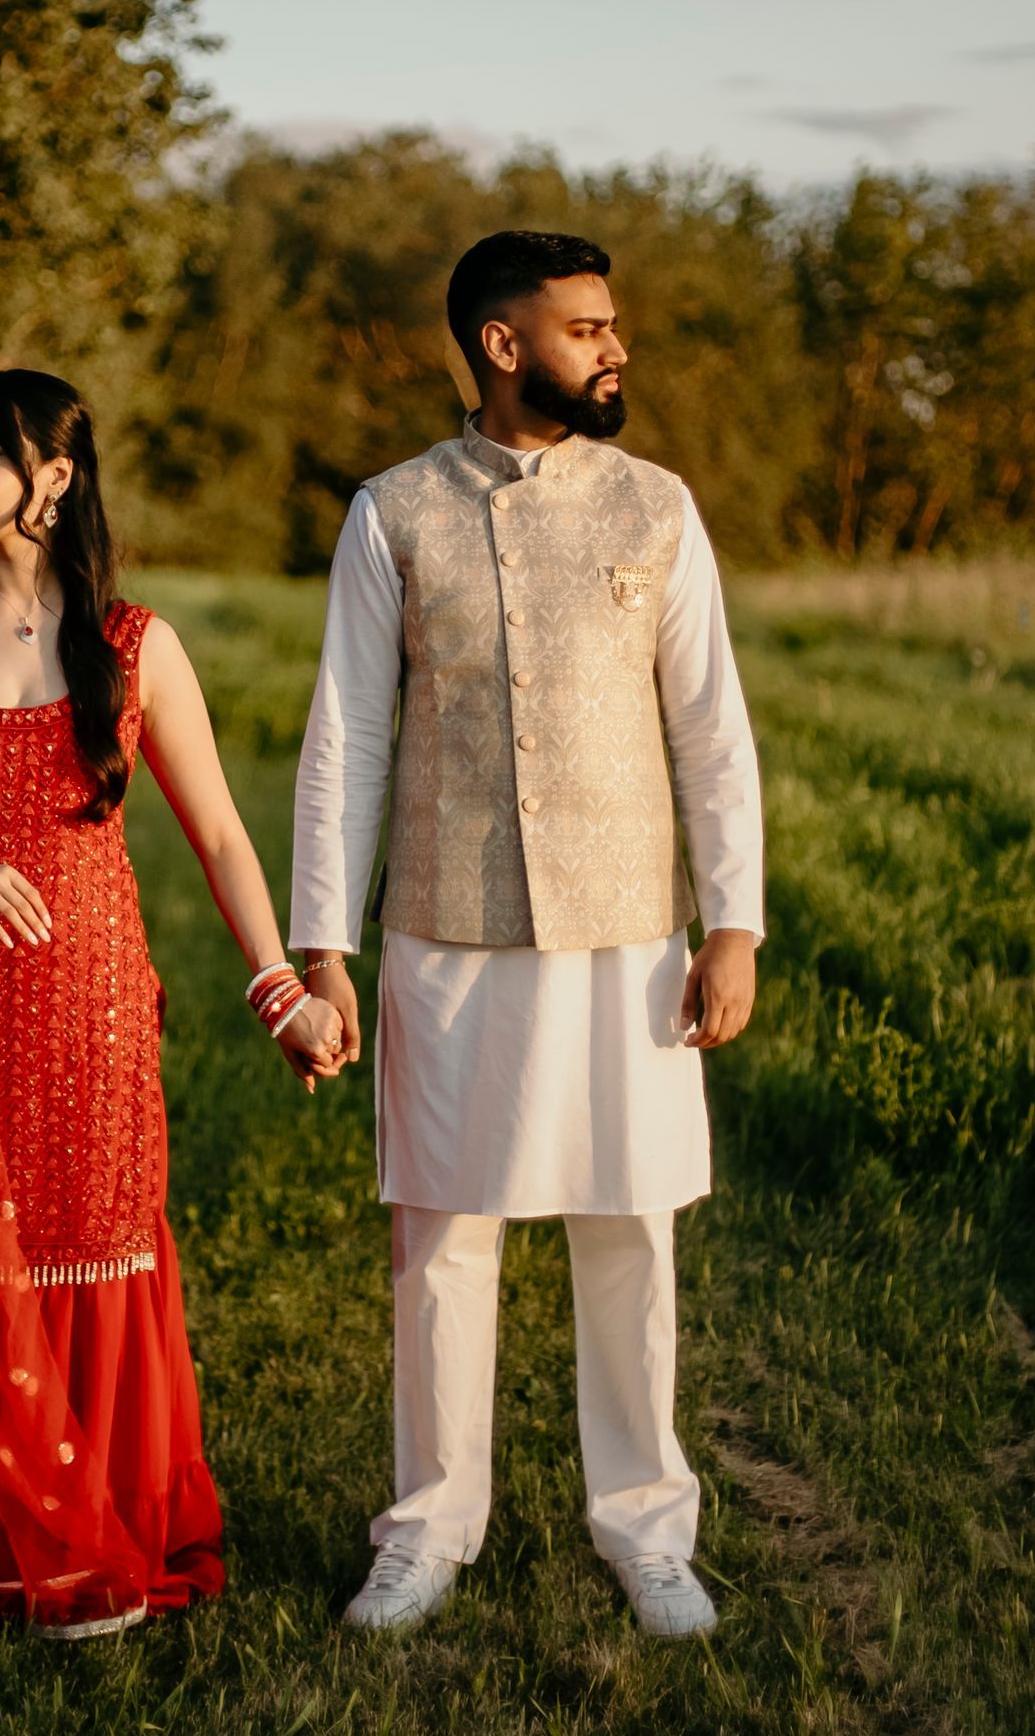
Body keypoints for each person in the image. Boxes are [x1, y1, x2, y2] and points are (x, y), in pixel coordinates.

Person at [0, 369, 344, 1638]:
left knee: (94, 1238)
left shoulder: (136, 645)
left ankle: (104, 1524)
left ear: (54, 475)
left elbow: (221, 833)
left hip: (93, 1008)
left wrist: (282, 990)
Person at [291, 231, 764, 1639]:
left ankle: (649, 1532)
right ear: (503, 345)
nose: (614, 348)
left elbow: (711, 729)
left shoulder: (659, 506)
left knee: (631, 1228)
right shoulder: (393, 511)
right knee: (441, 1235)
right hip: (447, 925)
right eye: (586, 328)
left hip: (632, 933)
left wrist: (733, 921)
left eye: (612, 326)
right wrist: (325, 945)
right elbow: (347, 734)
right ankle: (427, 1532)